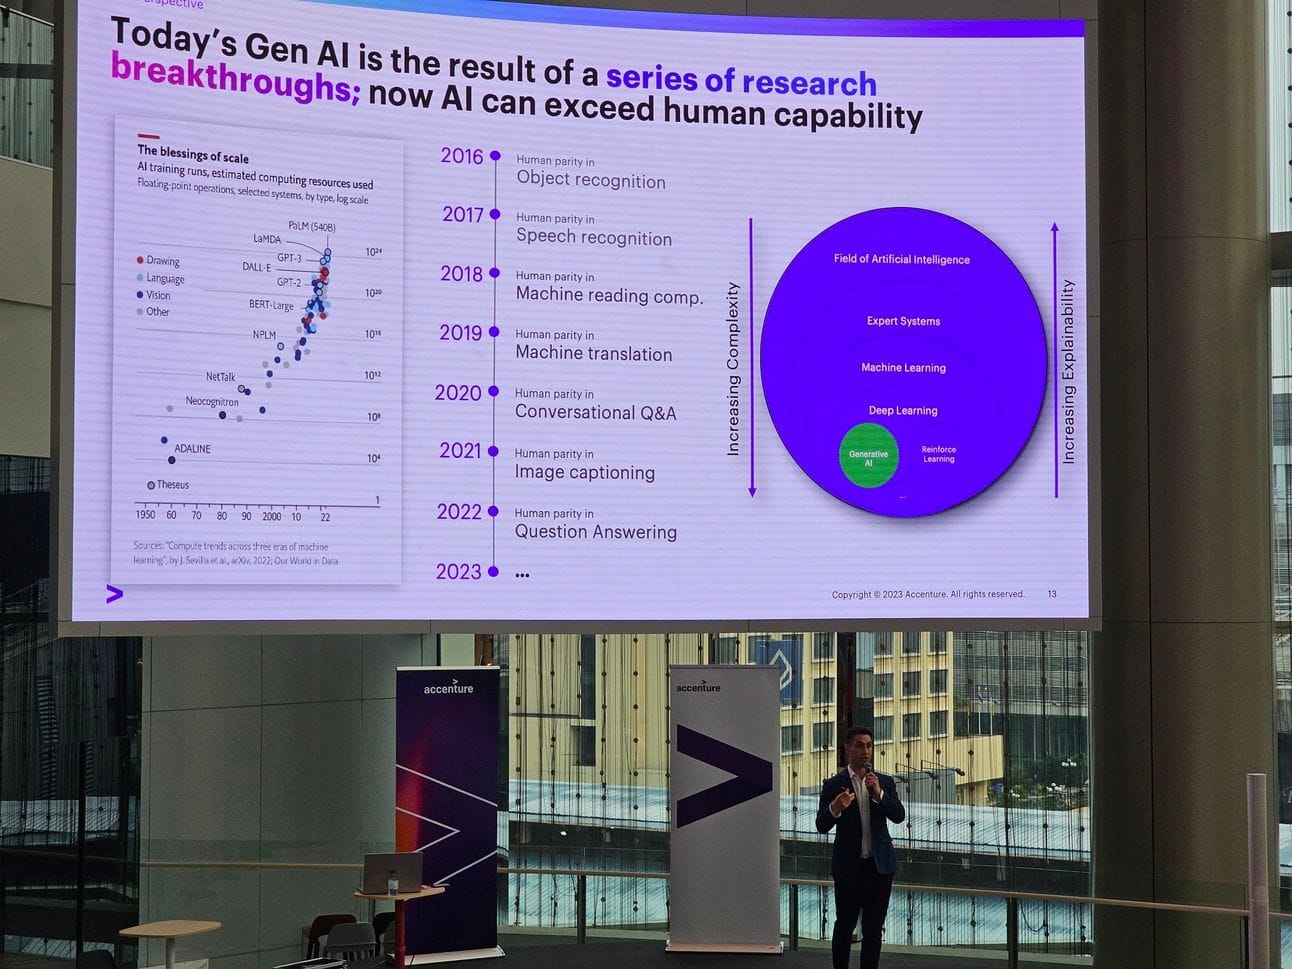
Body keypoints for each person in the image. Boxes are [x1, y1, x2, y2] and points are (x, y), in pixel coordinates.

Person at [816, 725, 906, 969]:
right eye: (859, 745)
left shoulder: (883, 782)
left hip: (879, 868)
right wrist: (835, 808)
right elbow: (821, 825)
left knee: (874, 929)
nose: (865, 751)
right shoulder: (834, 785)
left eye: (869, 746)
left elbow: (899, 816)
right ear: (847, 748)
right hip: (848, 868)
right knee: (844, 927)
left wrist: (879, 794)